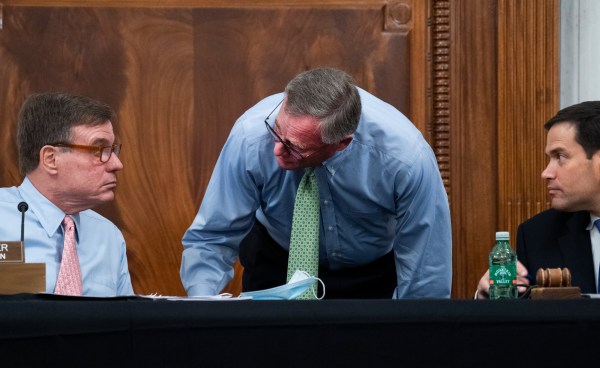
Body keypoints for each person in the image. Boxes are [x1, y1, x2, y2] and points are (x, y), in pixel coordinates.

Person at [181, 67, 451, 299]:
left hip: (372, 274)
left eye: (294, 147)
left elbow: (425, 273)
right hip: (276, 263)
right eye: (276, 130)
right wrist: (203, 306)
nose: (276, 150)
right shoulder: (250, 136)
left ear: (342, 142)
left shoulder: (405, 158)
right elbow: (213, 238)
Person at [0, 92, 134, 296]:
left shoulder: (109, 237)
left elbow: (126, 323)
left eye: (113, 150)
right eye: (99, 149)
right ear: (51, 159)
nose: (117, 164)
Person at [476, 100, 600, 298]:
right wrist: (487, 299)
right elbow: (525, 323)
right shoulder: (538, 235)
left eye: (560, 156)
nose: (546, 173)